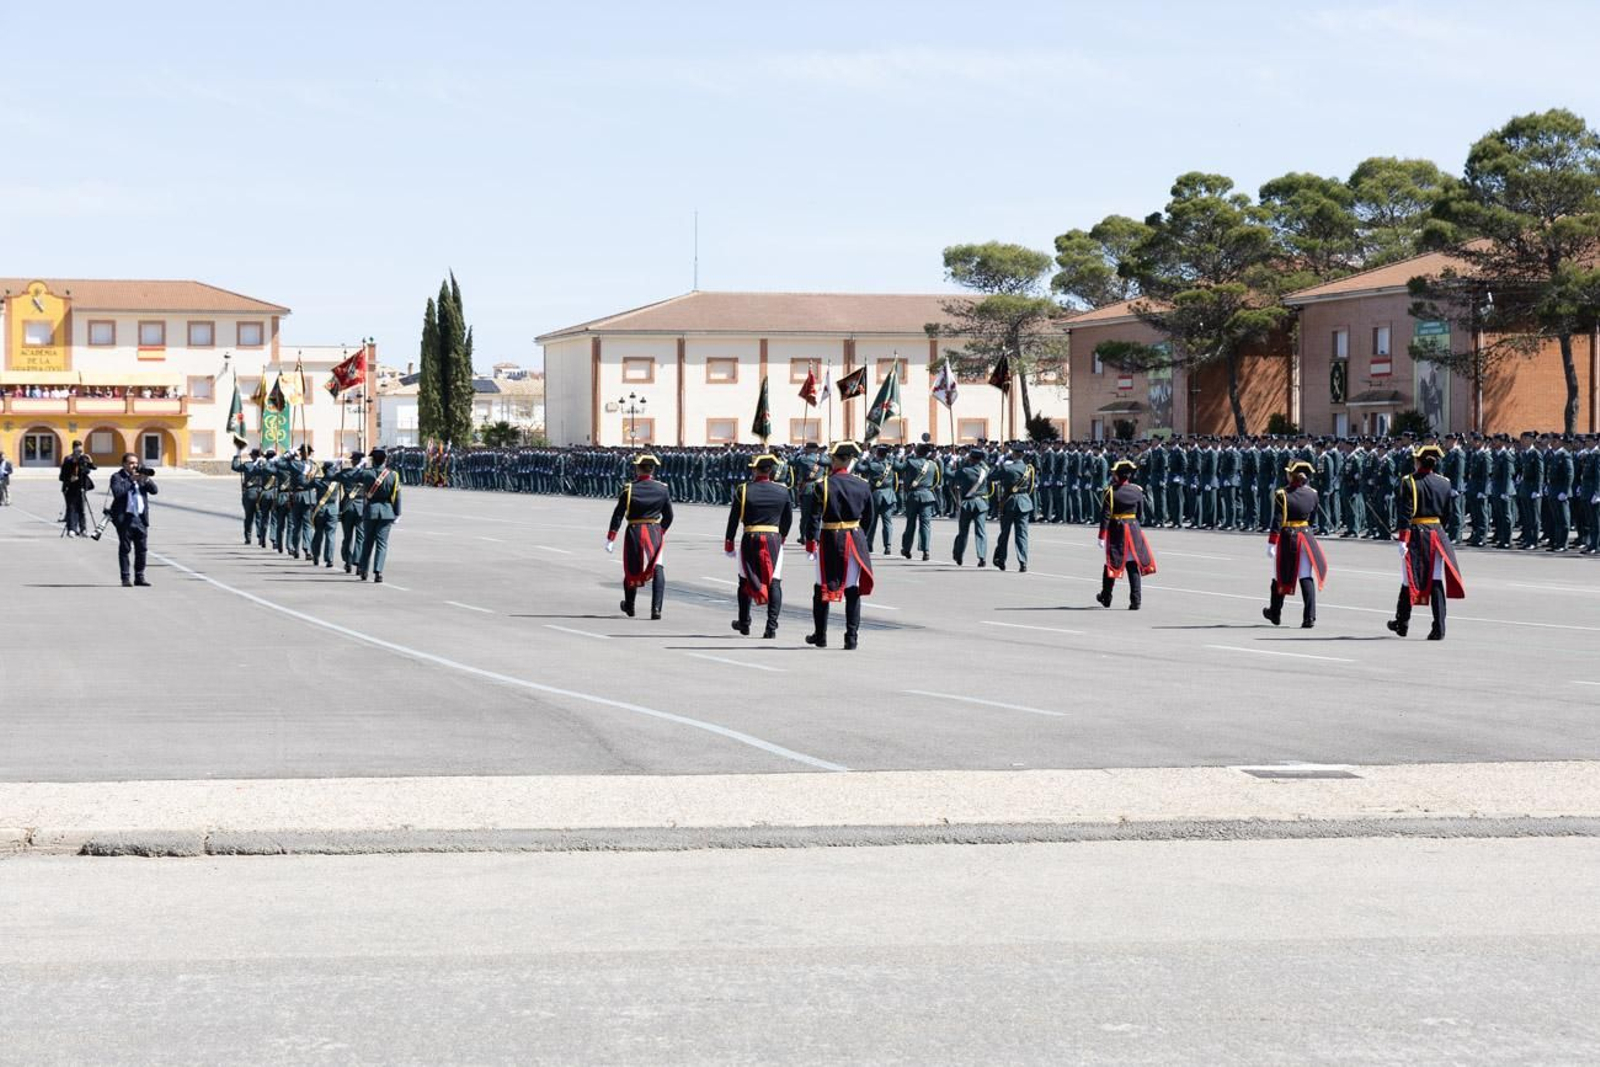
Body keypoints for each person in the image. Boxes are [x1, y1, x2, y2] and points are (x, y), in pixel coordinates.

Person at [1388, 444, 1466, 641]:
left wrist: (1402, 539)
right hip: (1437, 534)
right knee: (1436, 580)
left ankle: (1402, 623)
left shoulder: (1409, 482)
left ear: (1418, 461)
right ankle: (1438, 627)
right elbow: (1447, 514)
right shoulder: (1445, 483)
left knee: (1409, 579)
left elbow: (1405, 513)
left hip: (1417, 535)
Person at [802, 441, 876, 650]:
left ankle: (821, 635)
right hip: (854, 538)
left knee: (822, 588)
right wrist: (861, 536)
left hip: (830, 539)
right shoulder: (862, 484)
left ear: (835, 460)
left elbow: (814, 518)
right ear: (850, 460)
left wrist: (810, 542)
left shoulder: (823, 484)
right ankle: (851, 637)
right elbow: (869, 516)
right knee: (852, 590)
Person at [725, 453, 793, 638]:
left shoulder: (744, 489)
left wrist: (729, 541)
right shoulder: (783, 490)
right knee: (775, 582)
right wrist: (783, 536)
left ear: (755, 469)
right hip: (773, 538)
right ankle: (771, 626)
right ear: (770, 470)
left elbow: (733, 518)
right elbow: (788, 518)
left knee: (745, 580)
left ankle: (744, 622)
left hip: (750, 537)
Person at [606, 453, 673, 619]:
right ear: (652, 470)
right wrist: (660, 530)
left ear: (637, 469)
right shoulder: (662, 488)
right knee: (658, 567)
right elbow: (669, 516)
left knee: (631, 568)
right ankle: (656, 609)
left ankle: (630, 606)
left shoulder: (629, 489)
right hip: (653, 530)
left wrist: (611, 536)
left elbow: (618, 514)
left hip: (635, 530)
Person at [1263, 460, 1329, 629]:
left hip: (1288, 537)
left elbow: (1277, 520)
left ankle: (1275, 613)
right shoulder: (1313, 494)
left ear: (1290, 475)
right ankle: (1310, 617)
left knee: (1279, 575)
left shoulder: (1282, 494)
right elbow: (1312, 519)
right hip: (1306, 537)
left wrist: (1272, 541)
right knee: (1305, 576)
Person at [1095, 459, 1156, 610]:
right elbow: (1141, 513)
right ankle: (1136, 600)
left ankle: (1106, 596)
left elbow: (1106, 515)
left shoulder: (1110, 492)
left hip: (1118, 530)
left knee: (1112, 563)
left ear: (1117, 476)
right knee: (1132, 565)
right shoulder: (1137, 490)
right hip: (1134, 530)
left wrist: (1102, 535)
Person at [346, 448, 401, 583]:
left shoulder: (367, 473)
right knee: (382, 544)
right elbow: (397, 496)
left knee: (367, 542)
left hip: (370, 510)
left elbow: (352, 477)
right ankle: (378, 571)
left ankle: (364, 569)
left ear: (372, 460)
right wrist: (398, 512)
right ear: (385, 460)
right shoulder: (393, 475)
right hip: (387, 511)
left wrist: (359, 466)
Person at [107, 452, 157, 587]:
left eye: (135, 462)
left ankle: (139, 576)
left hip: (140, 518)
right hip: (125, 519)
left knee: (142, 549)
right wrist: (131, 480)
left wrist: (145, 479)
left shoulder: (141, 476)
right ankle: (125, 577)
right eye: (130, 463)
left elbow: (154, 490)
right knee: (125, 548)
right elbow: (117, 492)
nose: (134, 465)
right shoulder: (117, 477)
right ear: (124, 464)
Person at [991, 442, 1036, 573]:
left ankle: (1001, 559)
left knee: (1004, 533)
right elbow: (1031, 486)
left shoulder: (1007, 468)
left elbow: (991, 477)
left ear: (1014, 454)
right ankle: (1023, 562)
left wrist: (998, 464)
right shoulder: (1029, 468)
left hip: (1009, 502)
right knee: (1022, 534)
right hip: (1024, 502)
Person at [950, 446, 991, 567]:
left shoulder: (965, 471)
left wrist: (952, 462)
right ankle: (982, 557)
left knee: (963, 532)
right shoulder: (985, 470)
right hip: (981, 504)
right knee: (981, 531)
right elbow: (985, 465)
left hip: (967, 504)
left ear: (971, 458)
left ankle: (958, 555)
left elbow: (948, 474)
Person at [59, 440, 96, 536]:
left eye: (80, 450)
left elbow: (90, 470)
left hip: (81, 487)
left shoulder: (84, 459)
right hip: (70, 487)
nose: (79, 453)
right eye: (77, 450)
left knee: (81, 509)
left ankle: (83, 529)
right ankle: (72, 529)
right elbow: (62, 476)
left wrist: (88, 462)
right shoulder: (68, 459)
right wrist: (70, 479)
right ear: (73, 449)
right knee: (71, 508)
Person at [230, 446, 266, 544]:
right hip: (261, 493)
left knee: (249, 517)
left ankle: (248, 537)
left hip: (249, 493)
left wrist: (237, 455)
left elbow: (235, 467)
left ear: (253, 456)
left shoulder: (247, 465)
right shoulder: (264, 465)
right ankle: (260, 536)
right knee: (260, 516)